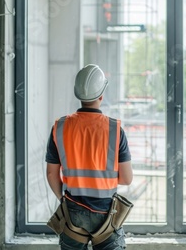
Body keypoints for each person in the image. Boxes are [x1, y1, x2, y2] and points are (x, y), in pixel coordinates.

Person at [46, 64, 133, 250]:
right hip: (106, 211)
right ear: (101, 95)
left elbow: (52, 175)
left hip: (72, 208)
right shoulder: (114, 130)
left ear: (77, 95)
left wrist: (63, 199)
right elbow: (126, 179)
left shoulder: (60, 128)